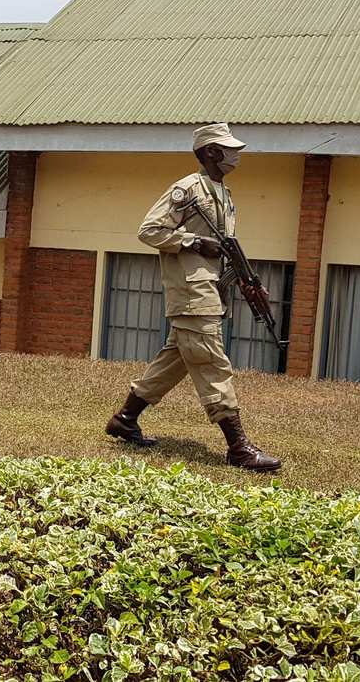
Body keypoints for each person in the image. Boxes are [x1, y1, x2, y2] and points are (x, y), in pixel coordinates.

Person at [104, 123, 282, 473]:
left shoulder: (224, 194)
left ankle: (125, 419)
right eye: (230, 149)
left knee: (177, 359)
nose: (236, 155)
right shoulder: (187, 189)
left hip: (209, 290)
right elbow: (149, 230)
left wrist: (246, 280)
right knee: (211, 362)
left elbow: (226, 249)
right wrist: (194, 242)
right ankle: (238, 448)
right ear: (211, 152)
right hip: (192, 292)